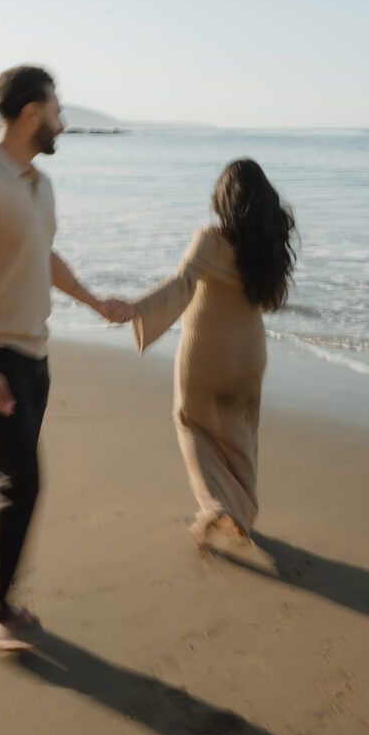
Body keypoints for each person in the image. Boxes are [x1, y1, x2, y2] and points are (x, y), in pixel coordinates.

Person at [0, 65, 129, 650]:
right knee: (22, 477)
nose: (62, 120)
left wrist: (95, 300)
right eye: (55, 108)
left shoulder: (36, 184)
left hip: (32, 349)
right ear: (29, 114)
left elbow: (42, 256)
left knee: (1, 471)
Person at [130, 159, 296, 548]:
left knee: (189, 423)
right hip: (250, 358)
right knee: (241, 436)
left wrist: (136, 310)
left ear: (224, 202)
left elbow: (179, 285)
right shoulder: (266, 250)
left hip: (204, 357)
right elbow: (269, 302)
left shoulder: (209, 240)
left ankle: (216, 505)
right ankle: (240, 511)